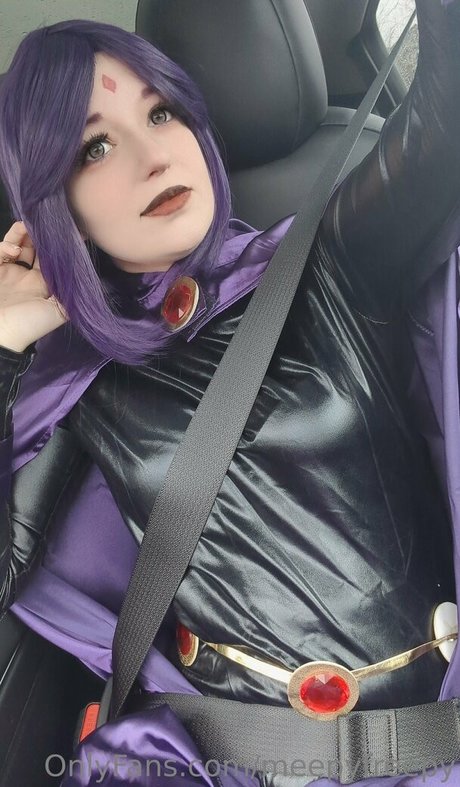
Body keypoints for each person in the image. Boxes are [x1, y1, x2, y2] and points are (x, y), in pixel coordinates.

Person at [0, 1, 460, 784]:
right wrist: (9, 343)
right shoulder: (75, 383)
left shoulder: (327, 264)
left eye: (162, 111)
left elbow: (444, 125)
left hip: (434, 736)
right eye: (95, 146)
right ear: (51, 204)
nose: (152, 155)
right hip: (234, 761)